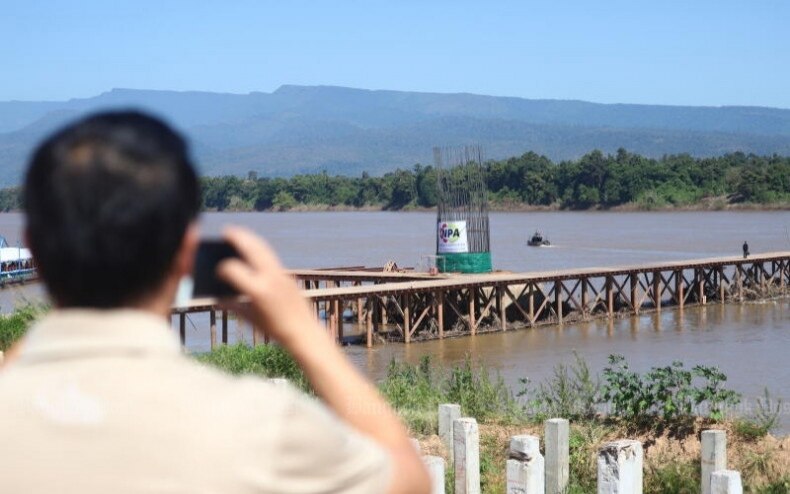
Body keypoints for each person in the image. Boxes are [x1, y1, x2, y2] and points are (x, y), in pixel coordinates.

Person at [0, 111, 430, 494]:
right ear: (186, 254)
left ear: (34, 252)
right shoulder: (262, 425)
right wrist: (304, 333)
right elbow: (409, 479)